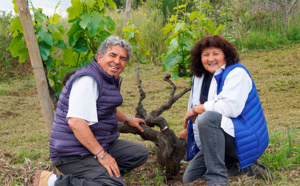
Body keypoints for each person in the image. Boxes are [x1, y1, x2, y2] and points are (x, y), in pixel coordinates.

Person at [33, 35, 149, 186]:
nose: (117, 61)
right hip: (73, 153)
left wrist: (128, 119)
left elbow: (106, 107)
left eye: (122, 58)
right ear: (99, 56)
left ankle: (98, 178)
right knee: (114, 185)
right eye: (112, 55)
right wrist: (102, 156)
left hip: (97, 144)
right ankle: (52, 182)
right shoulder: (88, 81)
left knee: (139, 153)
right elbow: (76, 122)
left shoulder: (106, 78)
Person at [179, 35, 273, 185]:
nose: (211, 59)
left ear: (225, 55)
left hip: (244, 135)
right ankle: (243, 169)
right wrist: (189, 129)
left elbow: (230, 108)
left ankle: (218, 180)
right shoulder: (200, 77)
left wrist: (198, 109)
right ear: (199, 57)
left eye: (215, 53)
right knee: (190, 178)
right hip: (219, 135)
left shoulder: (236, 73)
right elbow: (194, 105)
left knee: (208, 118)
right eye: (206, 55)